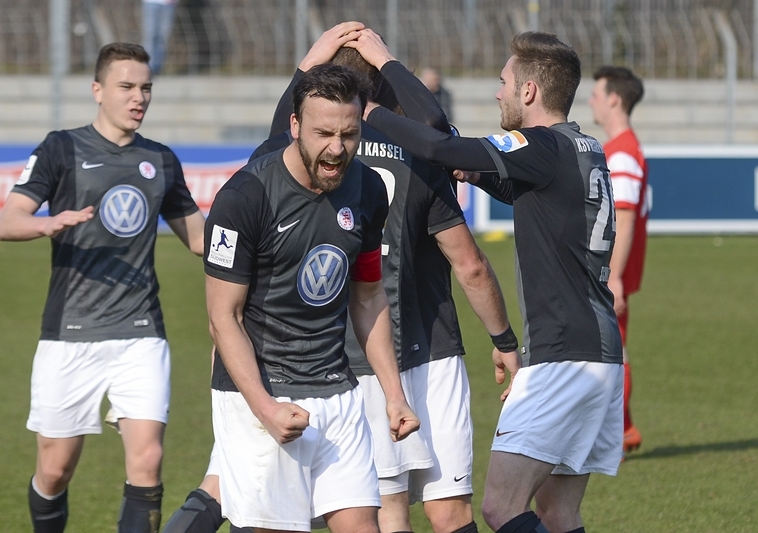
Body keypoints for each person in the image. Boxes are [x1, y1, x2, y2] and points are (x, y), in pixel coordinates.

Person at [249, 25, 519, 533]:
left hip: (357, 354)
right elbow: (470, 264)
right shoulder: (420, 153)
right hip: (434, 349)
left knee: (387, 509)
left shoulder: (312, 157)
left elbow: (273, 139)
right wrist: (504, 339)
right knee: (452, 511)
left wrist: (306, 65)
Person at [361, 31, 623, 533]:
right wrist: (475, 172)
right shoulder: (583, 147)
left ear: (529, 90)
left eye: (504, 82)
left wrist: (371, 107)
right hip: (602, 355)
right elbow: (529, 191)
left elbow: (437, 144)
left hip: (562, 356)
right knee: (557, 512)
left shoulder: (541, 144)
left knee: (501, 507)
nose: (498, 93)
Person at [0, 42, 205, 533]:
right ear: (97, 90)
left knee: (148, 460)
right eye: (126, 86)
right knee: (54, 470)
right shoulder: (61, 148)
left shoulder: (160, 160)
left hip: (141, 331)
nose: (139, 97)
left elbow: (199, 239)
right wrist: (48, 224)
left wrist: (255, 237)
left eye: (146, 88)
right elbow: (8, 221)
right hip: (70, 332)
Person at [201, 63, 420, 533]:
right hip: (265, 393)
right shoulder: (245, 196)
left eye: (349, 134)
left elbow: (368, 295)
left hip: (337, 390)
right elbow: (223, 318)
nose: (337, 149)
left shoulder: (368, 188)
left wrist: (394, 395)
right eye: (324, 134)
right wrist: (265, 408)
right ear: (295, 125)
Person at [589, 65, 649, 456]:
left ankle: (619, 431)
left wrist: (613, 277)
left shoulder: (623, 153)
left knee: (611, 350)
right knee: (608, 348)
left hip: (610, 273)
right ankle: (621, 430)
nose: (591, 101)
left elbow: (623, 220)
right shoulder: (621, 149)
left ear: (613, 99)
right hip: (611, 271)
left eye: (596, 94)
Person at [142, 0, 178, 74]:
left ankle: (157, 69)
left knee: (163, 38)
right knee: (150, 36)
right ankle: (147, 66)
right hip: (151, 3)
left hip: (169, 5)